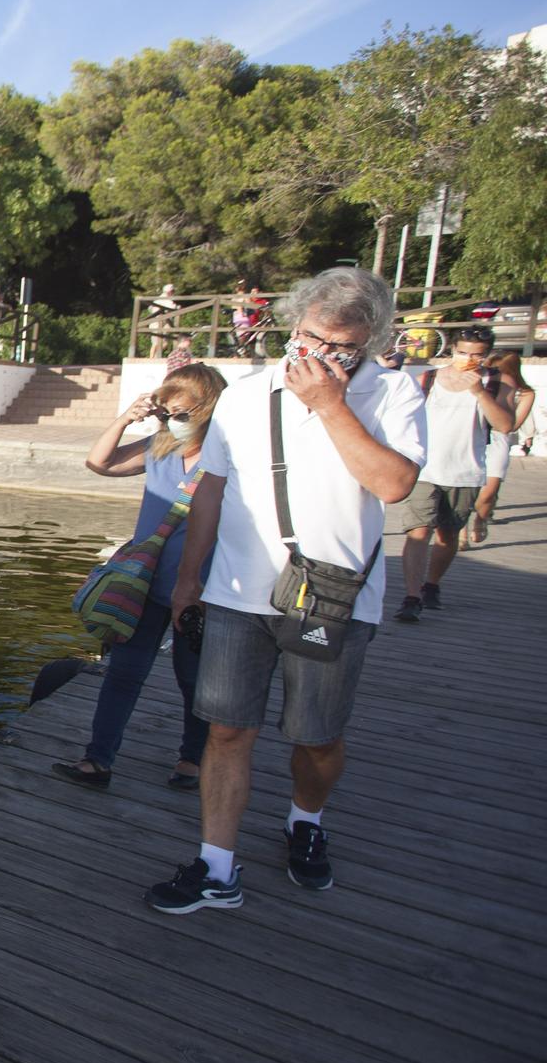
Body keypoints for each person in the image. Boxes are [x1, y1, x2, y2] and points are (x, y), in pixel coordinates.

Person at [151, 268, 425, 914]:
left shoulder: (393, 394)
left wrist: (332, 404)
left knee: (317, 736)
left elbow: (393, 485)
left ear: (369, 342)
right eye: (310, 338)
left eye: (341, 347)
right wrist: (189, 579)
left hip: (332, 596)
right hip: (238, 592)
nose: (320, 356)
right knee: (225, 729)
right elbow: (211, 488)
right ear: (292, 326)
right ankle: (217, 864)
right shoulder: (247, 394)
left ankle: (307, 817)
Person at [55, 364, 229, 793]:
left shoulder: (229, 458)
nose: (174, 423)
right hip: (146, 585)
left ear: (208, 410)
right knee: (123, 674)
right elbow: (99, 462)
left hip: (202, 591)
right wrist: (126, 418)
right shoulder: (161, 447)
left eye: (183, 414)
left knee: (193, 680)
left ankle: (192, 759)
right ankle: (98, 759)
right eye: (167, 413)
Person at [395, 325, 515, 622]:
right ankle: (411, 597)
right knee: (418, 531)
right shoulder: (429, 378)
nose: (468, 359)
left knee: (447, 535)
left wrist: (477, 391)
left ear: (487, 355)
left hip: (466, 470)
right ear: (452, 351)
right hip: (424, 468)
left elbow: (504, 425)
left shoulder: (497, 383)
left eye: (477, 354)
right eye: (462, 352)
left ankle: (431, 584)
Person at [472, 353, 532, 539]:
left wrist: (498, 408)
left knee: (489, 490)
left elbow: (511, 425)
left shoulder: (525, 393)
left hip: (498, 439)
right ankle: (461, 531)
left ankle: (481, 518)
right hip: (474, 435)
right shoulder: (479, 383)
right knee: (465, 488)